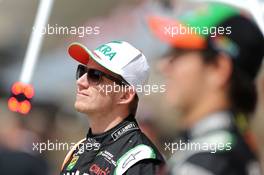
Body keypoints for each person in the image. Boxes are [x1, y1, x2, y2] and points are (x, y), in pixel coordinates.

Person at [148, 2, 264, 175]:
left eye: (178, 53)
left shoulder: (208, 163)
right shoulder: (219, 150)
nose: (163, 66)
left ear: (218, 69)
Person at [60, 41, 165, 175]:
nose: (80, 81)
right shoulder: (78, 149)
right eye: (82, 71)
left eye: (95, 75)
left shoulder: (142, 160)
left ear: (125, 95)